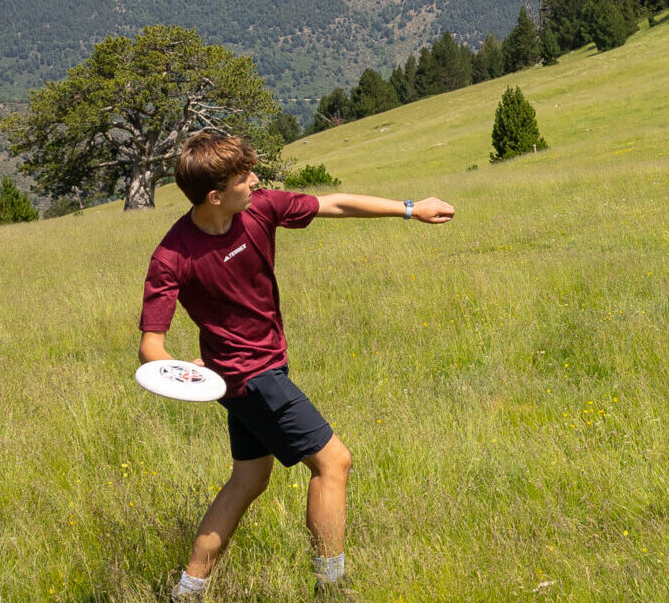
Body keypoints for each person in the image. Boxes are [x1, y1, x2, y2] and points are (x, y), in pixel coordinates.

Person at [140, 132, 456, 597]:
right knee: (334, 463)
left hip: (250, 373)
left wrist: (410, 208)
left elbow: (336, 205)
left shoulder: (260, 207)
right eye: (244, 176)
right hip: (253, 380)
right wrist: (187, 377)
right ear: (214, 195)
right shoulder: (173, 256)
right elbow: (152, 346)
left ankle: (187, 590)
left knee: (249, 479)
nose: (255, 179)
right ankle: (331, 588)